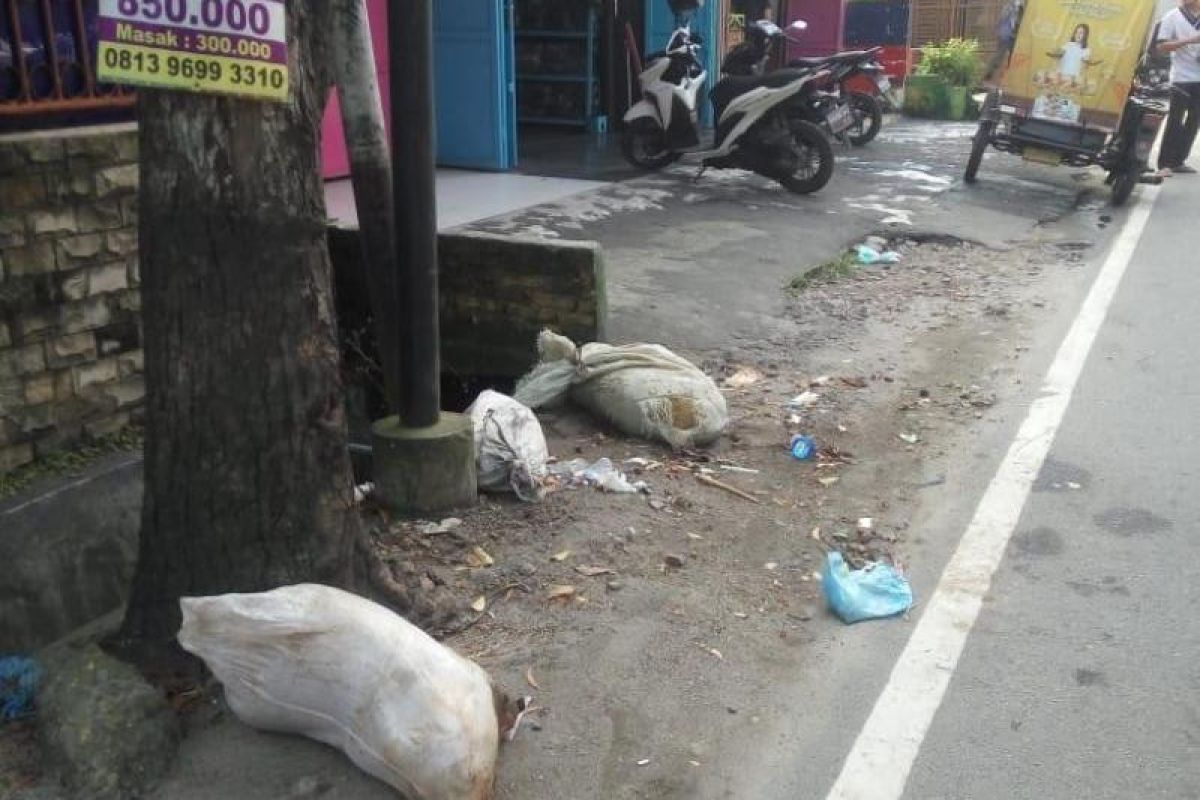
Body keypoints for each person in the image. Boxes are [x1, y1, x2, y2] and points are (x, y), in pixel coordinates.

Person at [1156, 0, 1200, 175]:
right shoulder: (1172, 17)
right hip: (1181, 77)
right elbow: (1161, 47)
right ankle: (1165, 163)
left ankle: (1179, 160)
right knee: (1175, 119)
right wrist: (1191, 40)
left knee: (1194, 121)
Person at [1047, 24, 1102, 88]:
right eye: (1077, 32)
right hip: (1061, 75)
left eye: (1081, 33)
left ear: (1085, 35)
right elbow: (1059, 54)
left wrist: (1092, 63)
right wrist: (1053, 54)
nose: (1078, 34)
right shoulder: (1068, 44)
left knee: (1066, 93)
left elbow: (1086, 63)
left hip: (1073, 78)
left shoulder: (1086, 49)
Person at [983, 0, 1025, 83]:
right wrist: (1015, 9)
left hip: (1015, 35)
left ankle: (1008, 76)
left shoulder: (1022, 8)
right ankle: (988, 74)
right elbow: (1003, 17)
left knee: (1013, 56)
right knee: (999, 55)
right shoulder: (1009, 6)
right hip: (1005, 35)